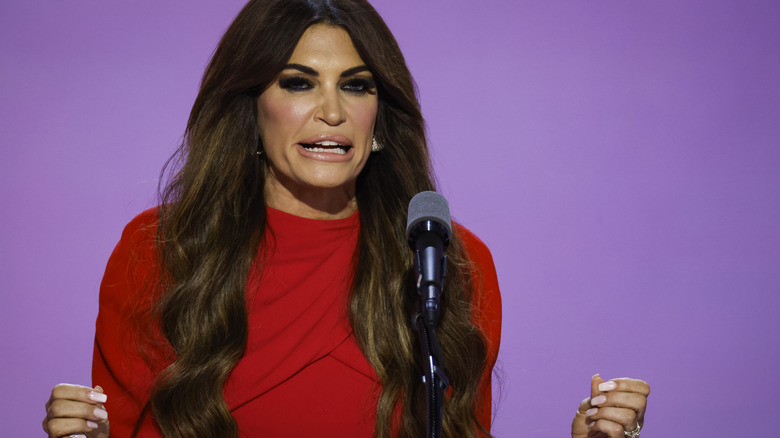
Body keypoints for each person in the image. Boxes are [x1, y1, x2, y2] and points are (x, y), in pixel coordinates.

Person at [41, 1, 649, 437]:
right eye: (300, 83)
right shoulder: (162, 249)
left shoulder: (445, 258)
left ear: (380, 119)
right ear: (251, 108)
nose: (331, 111)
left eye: (356, 87)